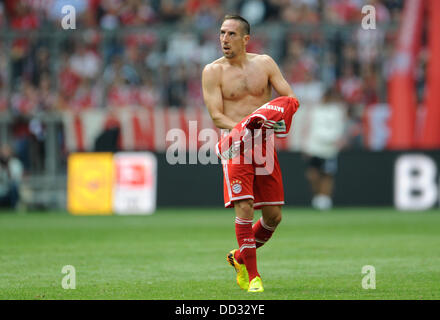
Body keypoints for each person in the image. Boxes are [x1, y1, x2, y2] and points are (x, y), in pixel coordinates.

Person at [202, 14, 299, 293]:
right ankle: (254, 277)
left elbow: (289, 100)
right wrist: (244, 127)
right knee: (244, 207)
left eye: (231, 34)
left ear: (246, 39)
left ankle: (239, 256)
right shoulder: (212, 71)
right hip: (234, 145)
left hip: (264, 147)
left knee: (273, 217)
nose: (224, 39)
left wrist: (277, 122)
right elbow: (217, 116)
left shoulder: (265, 63)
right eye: (221, 33)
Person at [301, 87, 347, 210]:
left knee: (328, 174)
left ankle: (325, 199)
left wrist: (340, 140)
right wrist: (305, 145)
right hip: (314, 147)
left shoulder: (337, 111)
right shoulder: (315, 110)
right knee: (312, 175)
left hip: (329, 148)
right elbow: (308, 127)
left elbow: (340, 128)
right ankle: (317, 197)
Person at [0, 144, 24, 210]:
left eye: (6, 152)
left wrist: (7, 168)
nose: (4, 155)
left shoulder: (15, 163)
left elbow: (16, 179)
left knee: (14, 187)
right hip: (1, 189)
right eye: (2, 153)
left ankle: (14, 207)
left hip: (11, 190)